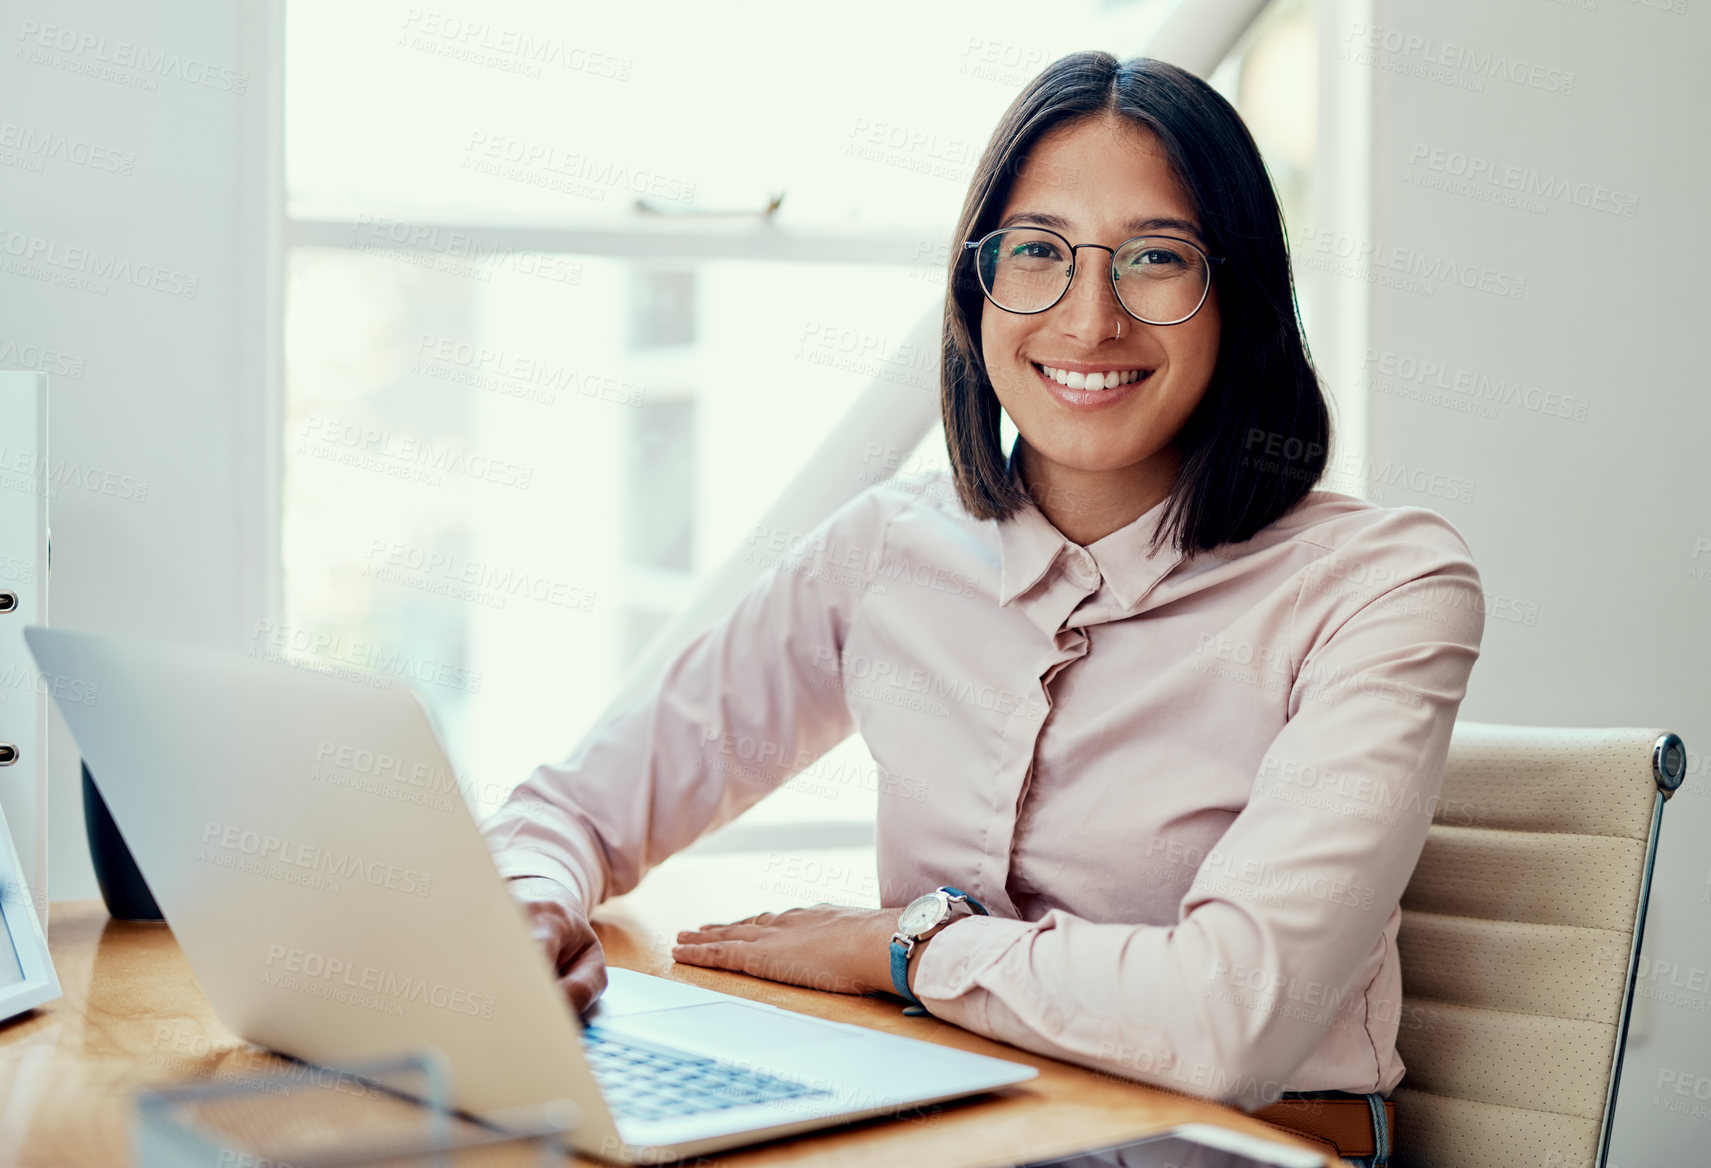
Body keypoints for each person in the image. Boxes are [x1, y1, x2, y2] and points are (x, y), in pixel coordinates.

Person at [481, 50, 1481, 1153]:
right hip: (950, 1124)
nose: (1089, 318)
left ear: (1236, 295)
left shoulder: (1383, 586)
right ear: (977, 288)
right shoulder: (889, 551)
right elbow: (572, 810)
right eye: (1038, 252)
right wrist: (531, 903)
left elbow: (1228, 1016)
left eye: (1155, 257)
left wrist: (905, 948)